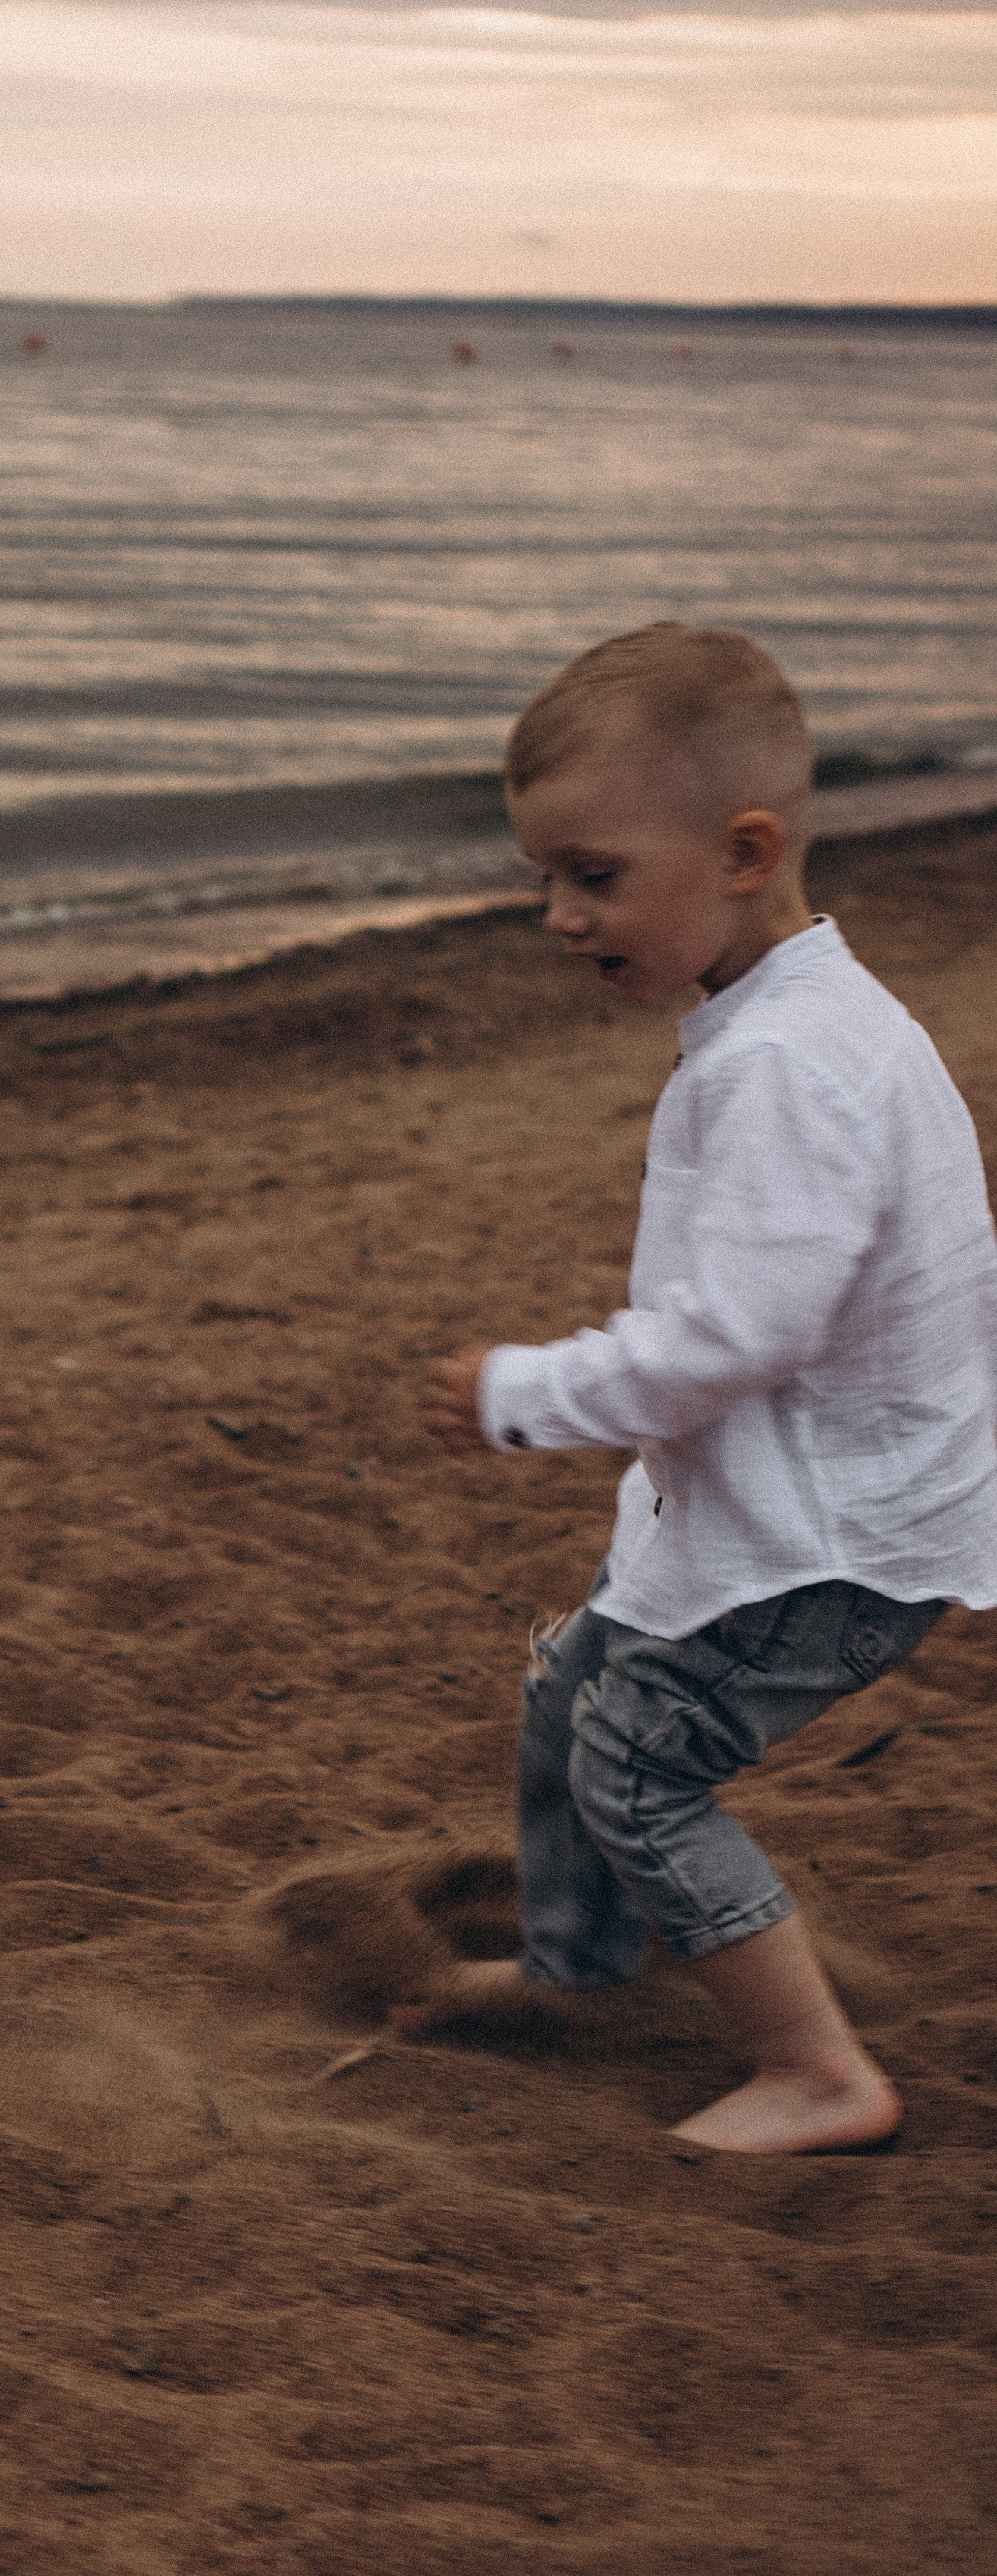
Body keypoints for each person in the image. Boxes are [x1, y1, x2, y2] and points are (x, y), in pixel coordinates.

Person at [414, 623, 997, 2153]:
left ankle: (818, 2070)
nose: (556, 915)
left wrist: (519, 1393)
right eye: (543, 877)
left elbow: (737, 1332)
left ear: (743, 851)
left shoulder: (786, 1066)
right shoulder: (789, 1021)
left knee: (636, 1753)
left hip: (837, 1540)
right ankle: (577, 1967)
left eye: (591, 876)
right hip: (789, 1497)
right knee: (568, 1687)